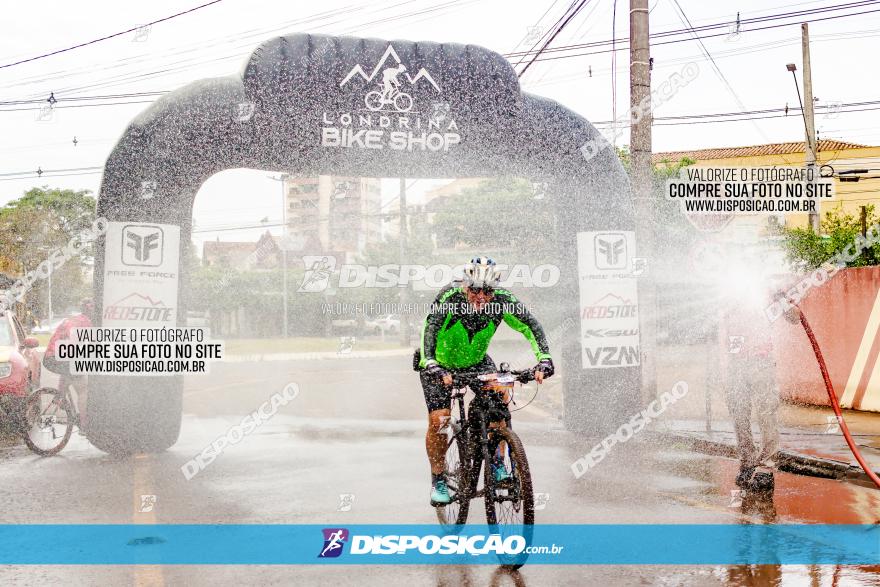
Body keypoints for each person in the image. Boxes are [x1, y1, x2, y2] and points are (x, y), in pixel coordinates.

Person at [416, 257, 554, 505]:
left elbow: (530, 325)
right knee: (440, 420)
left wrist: (544, 358)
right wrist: (431, 362)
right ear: (465, 286)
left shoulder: (501, 300)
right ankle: (438, 479)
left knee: (500, 396)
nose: (481, 296)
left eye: (487, 291)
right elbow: (430, 329)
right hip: (438, 363)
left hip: (477, 361)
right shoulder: (450, 298)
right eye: (475, 290)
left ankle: (498, 460)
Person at [719, 283, 794, 492]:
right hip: (736, 364)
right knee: (739, 414)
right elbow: (717, 312)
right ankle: (747, 462)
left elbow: (795, 318)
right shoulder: (727, 289)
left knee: (766, 413)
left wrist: (782, 299)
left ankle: (766, 468)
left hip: (761, 361)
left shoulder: (767, 289)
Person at [43, 298, 95, 432]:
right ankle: (84, 426)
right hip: (63, 357)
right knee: (83, 389)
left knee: (67, 371)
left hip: (50, 357)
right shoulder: (87, 323)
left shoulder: (71, 319)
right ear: (92, 311)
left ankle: (59, 397)